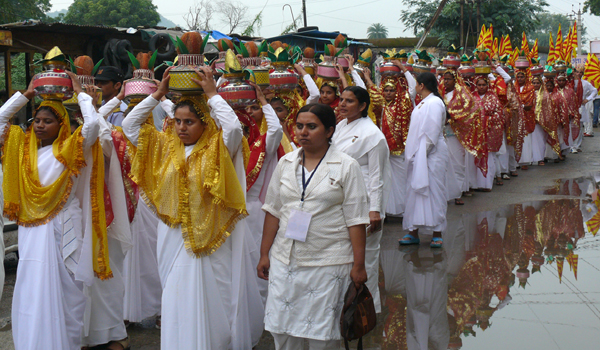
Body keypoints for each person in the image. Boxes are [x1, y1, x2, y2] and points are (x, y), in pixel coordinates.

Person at [123, 66, 262, 349]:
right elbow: (129, 127)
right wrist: (157, 95)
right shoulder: (163, 148)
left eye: (190, 122)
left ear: (206, 124)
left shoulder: (219, 148)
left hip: (209, 239)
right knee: (175, 296)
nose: (182, 128)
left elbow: (233, 127)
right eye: (178, 121)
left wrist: (212, 95)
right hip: (172, 236)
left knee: (214, 297)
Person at [2, 73, 105, 349]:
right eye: (36, 120)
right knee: (32, 289)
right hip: (30, 230)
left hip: (62, 228)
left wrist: (81, 92)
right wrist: (27, 94)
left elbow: (93, 124)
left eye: (48, 121)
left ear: (62, 125)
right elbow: (1, 120)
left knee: (65, 292)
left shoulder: (70, 149)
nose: (39, 126)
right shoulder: (23, 149)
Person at [257, 103, 369, 349]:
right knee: (283, 331)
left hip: (328, 262)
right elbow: (273, 211)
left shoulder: (347, 166)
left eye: (311, 127)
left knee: (323, 334)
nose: (302, 132)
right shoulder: (286, 163)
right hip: (285, 259)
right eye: (299, 126)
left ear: (329, 131)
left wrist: (359, 265)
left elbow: (356, 220)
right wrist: (265, 254)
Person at [332, 86, 390, 313]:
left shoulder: (373, 134)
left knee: (366, 258)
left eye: (349, 101)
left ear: (363, 106)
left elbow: (378, 176)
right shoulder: (339, 126)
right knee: (347, 255)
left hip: (365, 203)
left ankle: (367, 309)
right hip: (343, 197)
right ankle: (343, 306)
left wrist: (375, 210)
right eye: (342, 100)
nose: (343, 104)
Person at [240, 81, 284, 307]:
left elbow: (275, 130)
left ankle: (263, 306)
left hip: (255, 213)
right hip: (228, 215)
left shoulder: (260, 146)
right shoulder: (222, 152)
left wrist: (264, 103)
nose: (240, 133)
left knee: (257, 258)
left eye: (244, 128)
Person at [400, 72, 449, 248]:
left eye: (416, 84)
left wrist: (422, 153)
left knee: (435, 191)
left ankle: (437, 233)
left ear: (421, 85)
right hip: (418, 153)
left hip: (432, 153)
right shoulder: (423, 103)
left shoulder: (435, 102)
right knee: (414, 191)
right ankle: (413, 231)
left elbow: (432, 131)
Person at [364, 61, 415, 217]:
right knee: (384, 180)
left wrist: (403, 69)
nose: (388, 93)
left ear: (397, 91)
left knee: (400, 180)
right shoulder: (380, 106)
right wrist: (367, 78)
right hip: (383, 149)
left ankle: (402, 210)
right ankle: (387, 210)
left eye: (391, 90)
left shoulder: (404, 102)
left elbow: (412, 88)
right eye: (385, 90)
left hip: (399, 150)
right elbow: (370, 91)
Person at [473, 76, 504, 190]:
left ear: (487, 86)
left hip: (490, 132)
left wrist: (485, 120)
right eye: (479, 85)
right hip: (476, 132)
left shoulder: (493, 98)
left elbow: (499, 114)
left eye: (483, 85)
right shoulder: (472, 97)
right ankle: (477, 184)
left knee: (490, 158)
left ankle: (487, 184)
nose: (481, 87)